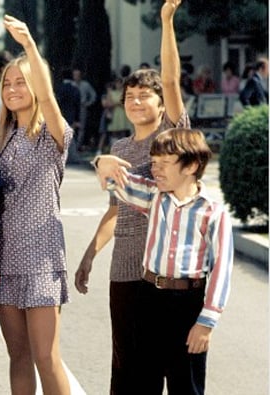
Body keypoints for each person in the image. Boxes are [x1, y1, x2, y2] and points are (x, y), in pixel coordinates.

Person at [74, 1, 190, 393]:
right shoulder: (119, 149)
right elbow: (115, 209)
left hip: (164, 269)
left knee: (165, 360)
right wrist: (90, 254)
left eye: (145, 95)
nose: (136, 102)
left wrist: (166, 22)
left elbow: (172, 79)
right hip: (124, 267)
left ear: (160, 104)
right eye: (130, 96)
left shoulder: (171, 136)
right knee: (126, 363)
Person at [97, 128, 234, 395]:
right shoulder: (153, 196)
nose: (155, 169)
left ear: (192, 165)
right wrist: (102, 162)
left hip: (188, 304)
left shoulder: (212, 212)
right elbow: (114, 179)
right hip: (148, 298)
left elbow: (221, 269)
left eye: (164, 163)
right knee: (143, 381)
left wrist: (206, 322)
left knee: (186, 384)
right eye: (153, 162)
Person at [0, 15, 72, 395]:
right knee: (17, 357)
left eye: (21, 82)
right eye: (7, 83)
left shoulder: (52, 134)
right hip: (4, 258)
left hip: (42, 258)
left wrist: (30, 46)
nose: (13, 89)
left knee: (46, 359)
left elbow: (48, 99)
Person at [55, 68, 81, 155]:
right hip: (72, 115)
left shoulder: (59, 88)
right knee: (71, 136)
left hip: (60, 114)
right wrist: (77, 119)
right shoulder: (75, 89)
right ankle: (72, 155)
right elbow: (78, 105)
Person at [72, 67, 97, 151]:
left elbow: (93, 95)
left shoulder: (85, 85)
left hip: (82, 107)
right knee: (72, 126)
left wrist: (88, 103)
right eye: (75, 75)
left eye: (78, 75)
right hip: (73, 108)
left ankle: (78, 146)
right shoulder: (71, 85)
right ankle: (72, 145)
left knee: (82, 127)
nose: (76, 77)